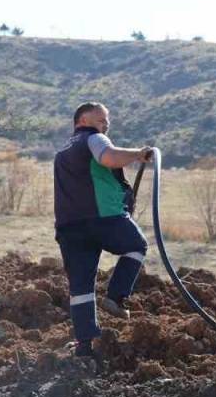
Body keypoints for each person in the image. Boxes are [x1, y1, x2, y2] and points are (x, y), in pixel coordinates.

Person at [53, 102, 154, 357]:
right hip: (103, 218)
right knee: (137, 246)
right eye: (101, 119)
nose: (105, 124)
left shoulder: (62, 152)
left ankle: (84, 346)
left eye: (107, 120)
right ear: (83, 120)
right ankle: (116, 296)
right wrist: (138, 154)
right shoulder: (93, 138)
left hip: (69, 227)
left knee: (81, 286)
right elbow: (108, 157)